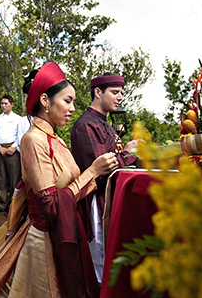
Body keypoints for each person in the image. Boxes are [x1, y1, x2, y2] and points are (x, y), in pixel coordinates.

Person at [8, 62, 119, 297]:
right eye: (67, 101)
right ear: (45, 101)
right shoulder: (34, 139)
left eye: (73, 102)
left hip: (63, 233)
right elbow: (50, 205)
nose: (72, 108)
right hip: (44, 242)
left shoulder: (56, 140)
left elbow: (69, 188)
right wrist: (92, 171)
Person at [70, 73, 138, 282]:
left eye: (121, 93)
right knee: (101, 267)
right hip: (97, 203)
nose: (120, 97)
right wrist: (128, 153)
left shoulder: (105, 124)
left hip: (112, 199)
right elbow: (99, 173)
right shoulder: (85, 126)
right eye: (115, 92)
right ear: (98, 93)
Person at [0, 95, 22, 213]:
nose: (3, 106)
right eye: (2, 103)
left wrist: (14, 147)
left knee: (14, 178)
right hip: (0, 150)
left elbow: (21, 134)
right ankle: (2, 203)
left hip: (12, 150)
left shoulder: (18, 119)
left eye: (6, 103)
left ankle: (14, 204)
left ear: (11, 104)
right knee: (0, 177)